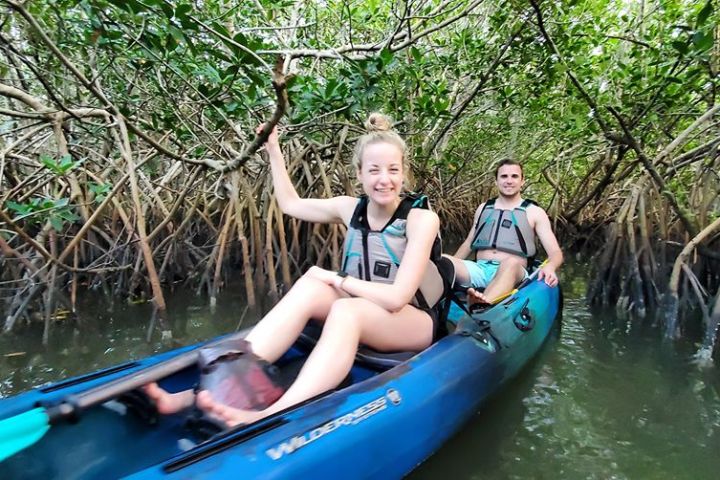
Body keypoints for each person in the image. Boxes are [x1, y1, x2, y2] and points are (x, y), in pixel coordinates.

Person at [143, 113, 446, 427]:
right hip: (366, 306)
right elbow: (290, 204)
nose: (385, 179)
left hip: (411, 321)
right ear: (359, 174)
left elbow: (398, 298)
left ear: (404, 172)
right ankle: (198, 394)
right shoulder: (349, 208)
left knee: (346, 309)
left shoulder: (421, 219)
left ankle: (269, 414)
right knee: (312, 288)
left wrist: (335, 277)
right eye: (374, 170)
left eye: (393, 170)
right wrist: (273, 149)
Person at [444, 159, 563, 306]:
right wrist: (450, 266)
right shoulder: (483, 208)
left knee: (511, 263)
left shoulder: (534, 212)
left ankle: (482, 304)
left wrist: (550, 267)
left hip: (513, 271)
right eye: (504, 176)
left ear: (522, 181)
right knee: (443, 259)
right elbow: (469, 243)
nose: (509, 181)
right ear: (496, 181)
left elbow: (555, 253)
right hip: (480, 269)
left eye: (514, 176)